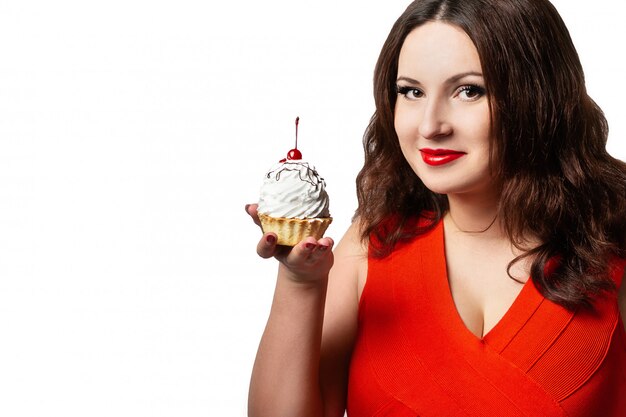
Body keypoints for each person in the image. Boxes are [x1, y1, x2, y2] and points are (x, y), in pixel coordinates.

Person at [246, 0, 626, 416]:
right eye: (412, 91)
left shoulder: (614, 247)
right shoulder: (370, 246)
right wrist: (300, 283)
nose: (430, 126)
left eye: (468, 91)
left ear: (538, 95)